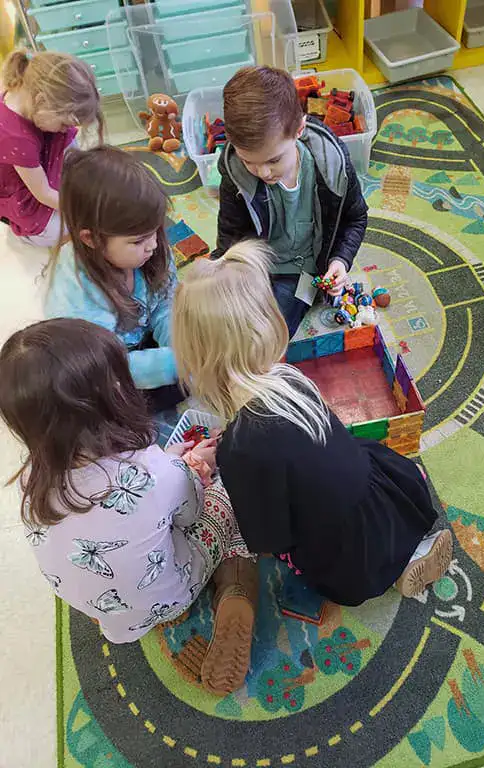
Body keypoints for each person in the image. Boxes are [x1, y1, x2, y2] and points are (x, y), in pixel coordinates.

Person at [173, 241, 453, 606]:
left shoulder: (241, 448)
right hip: (375, 493)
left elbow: (268, 536)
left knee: (281, 540)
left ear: (200, 362)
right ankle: (414, 546)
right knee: (353, 468)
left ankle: (398, 567)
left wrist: (220, 473)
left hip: (345, 546)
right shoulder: (291, 378)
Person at [0, 318, 258, 696]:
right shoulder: (156, 472)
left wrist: (171, 463)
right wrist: (194, 470)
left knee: (137, 533)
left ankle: (143, 611)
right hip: (169, 593)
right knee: (233, 493)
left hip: (107, 613)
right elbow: (191, 512)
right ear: (114, 399)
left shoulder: (30, 483)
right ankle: (235, 586)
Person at [213, 66, 368, 337]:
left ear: (299, 129)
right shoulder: (236, 172)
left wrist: (340, 261)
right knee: (219, 326)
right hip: (255, 268)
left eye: (274, 160)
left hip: (302, 272)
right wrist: (226, 269)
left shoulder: (332, 165)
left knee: (270, 336)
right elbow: (231, 233)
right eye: (249, 161)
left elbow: (356, 218)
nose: (262, 172)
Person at [45, 145, 179, 411]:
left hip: (136, 340)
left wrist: (179, 346)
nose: (152, 245)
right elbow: (104, 365)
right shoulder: (76, 293)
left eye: (156, 231)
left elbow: (167, 303)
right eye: (139, 240)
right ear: (91, 238)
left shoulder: (150, 250)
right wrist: (176, 363)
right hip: (105, 363)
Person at [0, 50, 103, 247]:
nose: (68, 129)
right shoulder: (17, 139)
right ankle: (26, 236)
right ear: (41, 101)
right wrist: (84, 210)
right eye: (64, 123)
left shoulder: (27, 90)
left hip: (35, 161)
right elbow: (44, 193)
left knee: (74, 156)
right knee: (60, 231)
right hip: (25, 192)